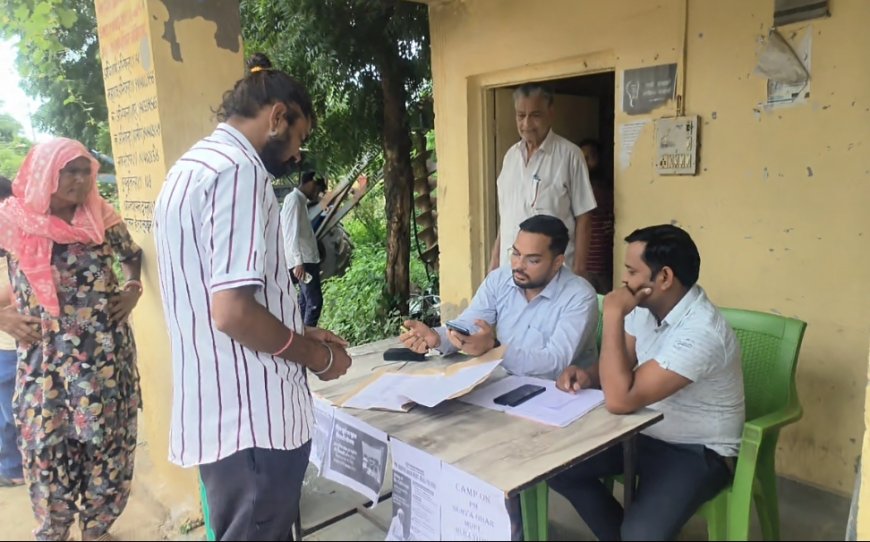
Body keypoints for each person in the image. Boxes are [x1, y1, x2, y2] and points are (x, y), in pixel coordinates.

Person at [153, 52, 352, 541]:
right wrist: (318, 357)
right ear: (277, 117)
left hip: (220, 416)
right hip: (253, 424)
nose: (298, 155)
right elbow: (233, 312)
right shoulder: (238, 171)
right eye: (299, 137)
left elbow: (212, 300)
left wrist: (298, 328)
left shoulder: (188, 169)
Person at [549, 224, 744, 540]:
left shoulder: (701, 332)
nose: (624, 281)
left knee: (641, 535)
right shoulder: (645, 306)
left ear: (664, 278)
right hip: (641, 430)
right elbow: (621, 365)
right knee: (557, 469)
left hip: (696, 451)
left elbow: (620, 400)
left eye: (631, 271)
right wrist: (588, 375)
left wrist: (612, 314)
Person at [0, 139, 144, 541]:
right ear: (47, 173)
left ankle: (97, 531)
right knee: (47, 455)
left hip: (104, 360)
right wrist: (3, 317)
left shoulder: (102, 217)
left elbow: (132, 254)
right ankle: (54, 533)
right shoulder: (11, 220)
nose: (81, 180)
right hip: (44, 366)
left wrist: (132, 287)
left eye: (87, 171)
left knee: (108, 454)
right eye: (71, 171)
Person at [402, 214, 598, 381]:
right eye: (516, 253)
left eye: (533, 260)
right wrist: (437, 337)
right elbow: (470, 325)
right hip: (504, 385)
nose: (518, 265)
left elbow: (555, 363)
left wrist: (494, 348)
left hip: (560, 396)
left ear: (557, 263)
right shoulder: (500, 280)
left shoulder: (579, 296)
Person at [489, 83, 597, 279]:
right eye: (521, 116)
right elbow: (506, 216)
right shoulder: (510, 157)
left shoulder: (570, 155)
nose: (527, 124)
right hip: (510, 272)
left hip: (554, 275)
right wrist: (494, 263)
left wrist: (579, 273)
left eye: (535, 115)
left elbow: (584, 217)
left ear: (551, 113)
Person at [0, 176, 23, 489]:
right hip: (4, 344)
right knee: (8, 414)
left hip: (27, 338)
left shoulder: (22, 237)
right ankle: (10, 465)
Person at [282, 170, 325, 326]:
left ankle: (301, 335)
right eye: (319, 190)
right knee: (314, 303)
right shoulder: (293, 201)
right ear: (311, 184)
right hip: (303, 261)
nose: (318, 195)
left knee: (305, 302)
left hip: (308, 260)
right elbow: (289, 233)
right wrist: (298, 261)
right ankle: (308, 340)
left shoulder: (300, 202)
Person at [579, 139, 614, 294]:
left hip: (603, 260)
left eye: (590, 157)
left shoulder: (603, 188)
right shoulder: (577, 187)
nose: (586, 162)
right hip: (585, 262)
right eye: (582, 157)